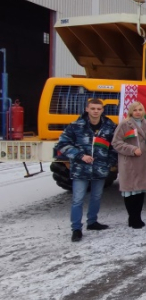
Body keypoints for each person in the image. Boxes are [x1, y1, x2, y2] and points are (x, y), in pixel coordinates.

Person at [57, 98, 118, 242]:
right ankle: (76, 228)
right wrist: (79, 156)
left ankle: (92, 222)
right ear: (87, 109)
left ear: (102, 110)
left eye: (98, 109)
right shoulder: (75, 126)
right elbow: (63, 144)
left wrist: (108, 162)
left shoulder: (110, 126)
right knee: (78, 199)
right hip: (80, 168)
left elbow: (115, 146)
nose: (95, 111)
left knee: (96, 197)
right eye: (93, 108)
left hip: (100, 168)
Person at [112, 101, 146, 229]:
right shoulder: (125, 124)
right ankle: (133, 218)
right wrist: (131, 149)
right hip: (129, 162)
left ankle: (138, 217)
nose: (138, 112)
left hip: (144, 162)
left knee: (140, 192)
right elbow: (116, 142)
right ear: (131, 111)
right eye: (135, 110)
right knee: (130, 192)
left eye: (140, 109)